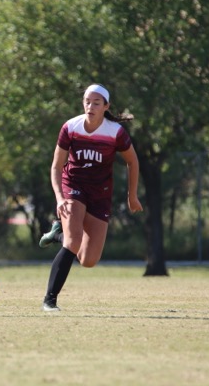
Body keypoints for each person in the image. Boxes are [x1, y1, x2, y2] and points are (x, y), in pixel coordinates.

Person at [39, 84, 143, 312]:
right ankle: (49, 300)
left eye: (97, 102)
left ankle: (58, 233)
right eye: (87, 101)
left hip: (100, 194)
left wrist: (132, 195)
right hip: (73, 187)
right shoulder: (70, 127)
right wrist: (59, 198)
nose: (90, 106)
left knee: (88, 260)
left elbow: (132, 161)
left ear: (106, 107)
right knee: (73, 241)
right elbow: (56, 166)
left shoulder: (115, 132)